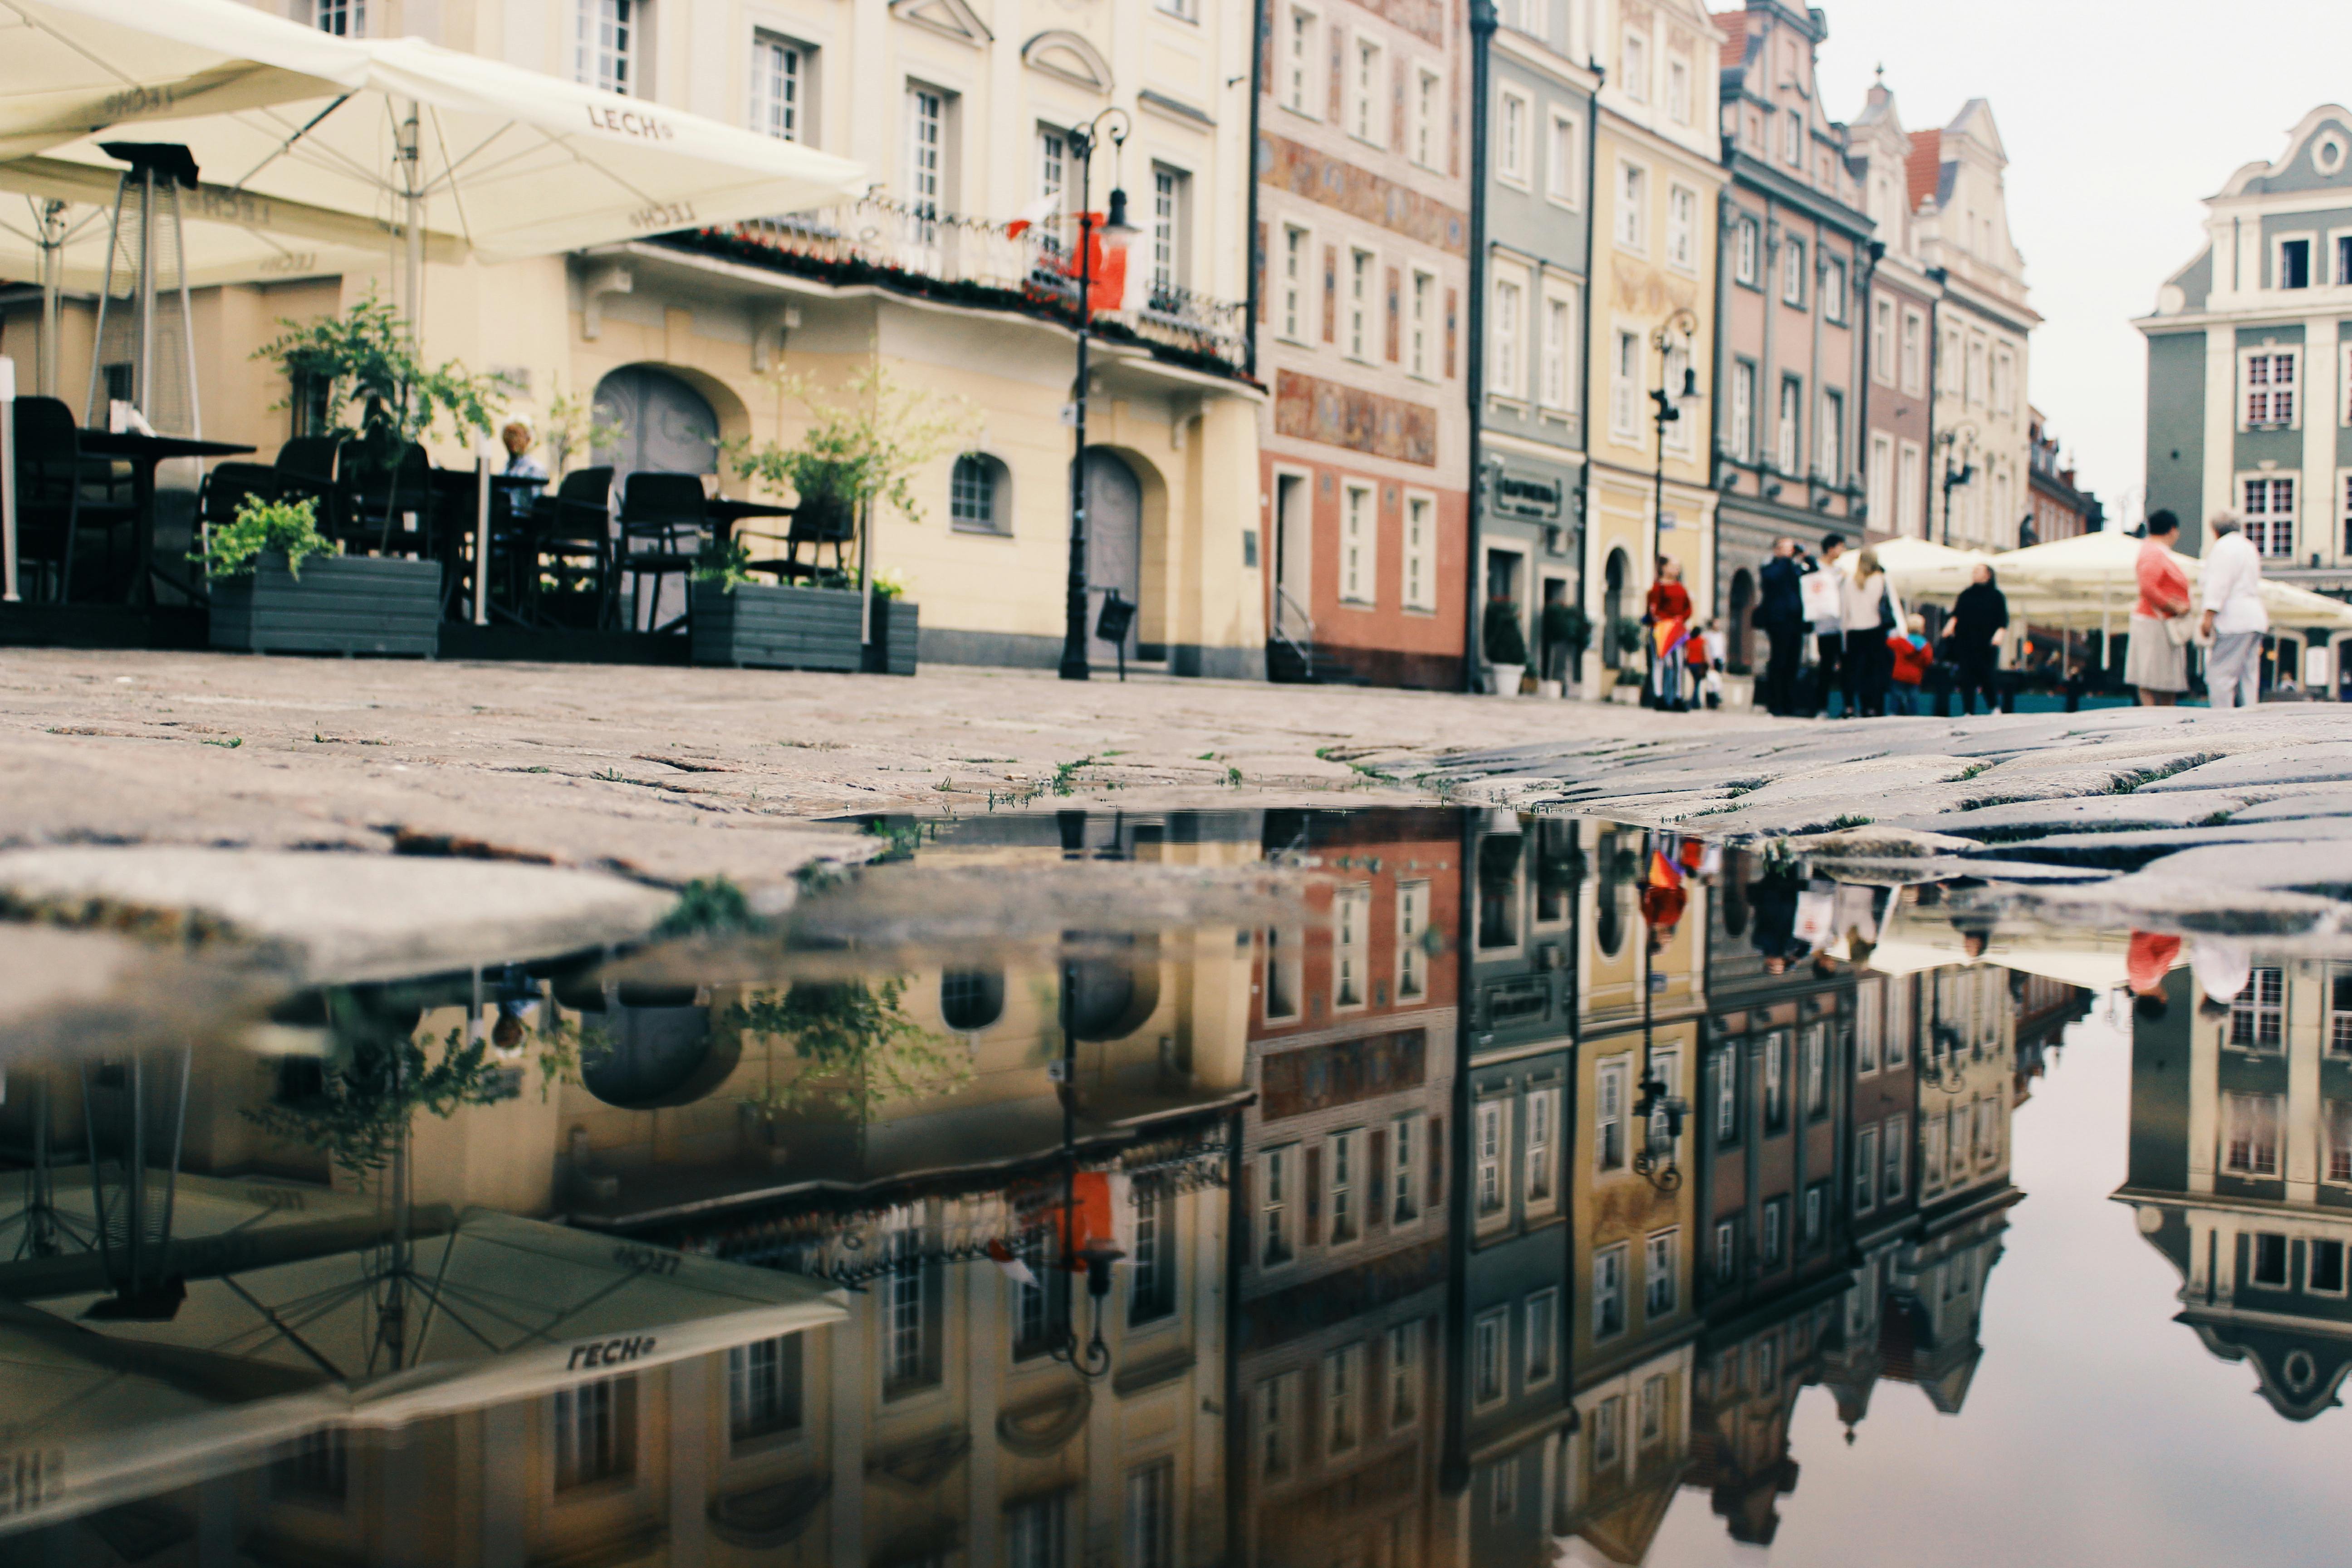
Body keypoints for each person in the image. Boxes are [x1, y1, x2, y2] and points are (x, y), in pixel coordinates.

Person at [2200, 512, 2268, 709]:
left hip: (2234, 619)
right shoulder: (2249, 546)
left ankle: (2221, 720)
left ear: (2215, 530)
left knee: (2221, 674)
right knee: (2248, 674)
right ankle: (2249, 712)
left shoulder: (2223, 548)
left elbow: (2219, 582)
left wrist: (2209, 615)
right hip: (2254, 616)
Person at [2127, 512, 2193, 708]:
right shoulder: (2154, 553)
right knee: (2154, 674)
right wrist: (2173, 606)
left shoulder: (2153, 552)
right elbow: (2148, 587)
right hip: (2155, 620)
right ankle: (2155, 714)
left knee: (2159, 675)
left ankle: (2160, 713)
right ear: (2172, 530)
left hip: (2157, 620)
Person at [1840, 547, 1896, 718]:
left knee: (1852, 670)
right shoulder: (1881, 579)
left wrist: (1844, 634)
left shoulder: (1849, 581)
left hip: (1854, 630)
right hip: (1875, 629)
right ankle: (1872, 707)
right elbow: (1890, 604)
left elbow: (1844, 610)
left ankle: (1850, 706)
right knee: (1874, 671)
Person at [1948, 563, 2009, 715]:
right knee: (1966, 676)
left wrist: (1999, 634)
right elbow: (1957, 614)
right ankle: (1968, 710)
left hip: (1987, 643)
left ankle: (1994, 706)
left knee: (1987, 674)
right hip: (1965, 641)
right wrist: (1950, 628)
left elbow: (2003, 618)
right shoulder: (1966, 594)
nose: (1974, 573)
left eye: (1978, 571)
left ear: (1988, 575)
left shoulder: (1996, 595)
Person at [1757, 537, 1806, 716]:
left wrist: (1805, 555)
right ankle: (1775, 703)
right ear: (1777, 550)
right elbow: (1772, 578)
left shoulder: (1794, 568)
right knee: (1779, 661)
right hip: (1778, 621)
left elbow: (1813, 570)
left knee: (1793, 663)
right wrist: (1786, 560)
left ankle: (1789, 703)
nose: (1790, 552)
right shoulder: (1770, 567)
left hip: (1796, 621)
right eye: (1786, 549)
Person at [1646, 556, 1694, 711]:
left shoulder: (1680, 588)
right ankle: (1660, 696)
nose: (1677, 570)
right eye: (1674, 566)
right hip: (1662, 631)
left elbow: (1688, 608)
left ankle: (1678, 696)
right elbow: (1654, 610)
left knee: (1679, 664)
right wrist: (1667, 621)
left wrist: (1680, 619)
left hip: (1677, 630)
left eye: (1678, 567)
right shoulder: (1658, 588)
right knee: (1663, 663)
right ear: (1665, 568)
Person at [1807, 533, 1847, 715]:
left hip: (1841, 625)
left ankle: (1846, 707)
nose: (1843, 551)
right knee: (1826, 667)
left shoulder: (1840, 570)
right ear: (1831, 549)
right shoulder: (1816, 568)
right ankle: (1820, 707)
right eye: (1841, 547)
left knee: (1845, 666)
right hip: (1824, 625)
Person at [1888, 612, 1932, 715]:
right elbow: (1928, 661)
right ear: (1922, 629)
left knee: (1896, 696)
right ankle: (1912, 715)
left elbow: (1889, 643)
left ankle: (1894, 713)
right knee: (1913, 698)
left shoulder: (1901, 641)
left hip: (1899, 675)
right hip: (1915, 677)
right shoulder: (1925, 645)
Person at [500, 417, 549, 481]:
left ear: (528, 439)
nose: (511, 439)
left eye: (516, 434)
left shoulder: (535, 470)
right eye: (508, 434)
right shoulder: (505, 470)